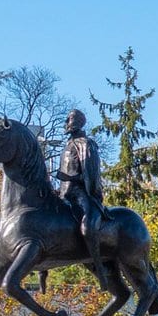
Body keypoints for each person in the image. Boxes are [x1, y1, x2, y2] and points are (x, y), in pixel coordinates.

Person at [55, 109, 106, 255]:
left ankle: (96, 258)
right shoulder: (66, 146)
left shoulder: (86, 144)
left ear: (77, 122)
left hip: (80, 194)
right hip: (64, 195)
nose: (66, 122)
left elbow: (92, 175)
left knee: (87, 227)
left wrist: (70, 178)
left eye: (69, 119)